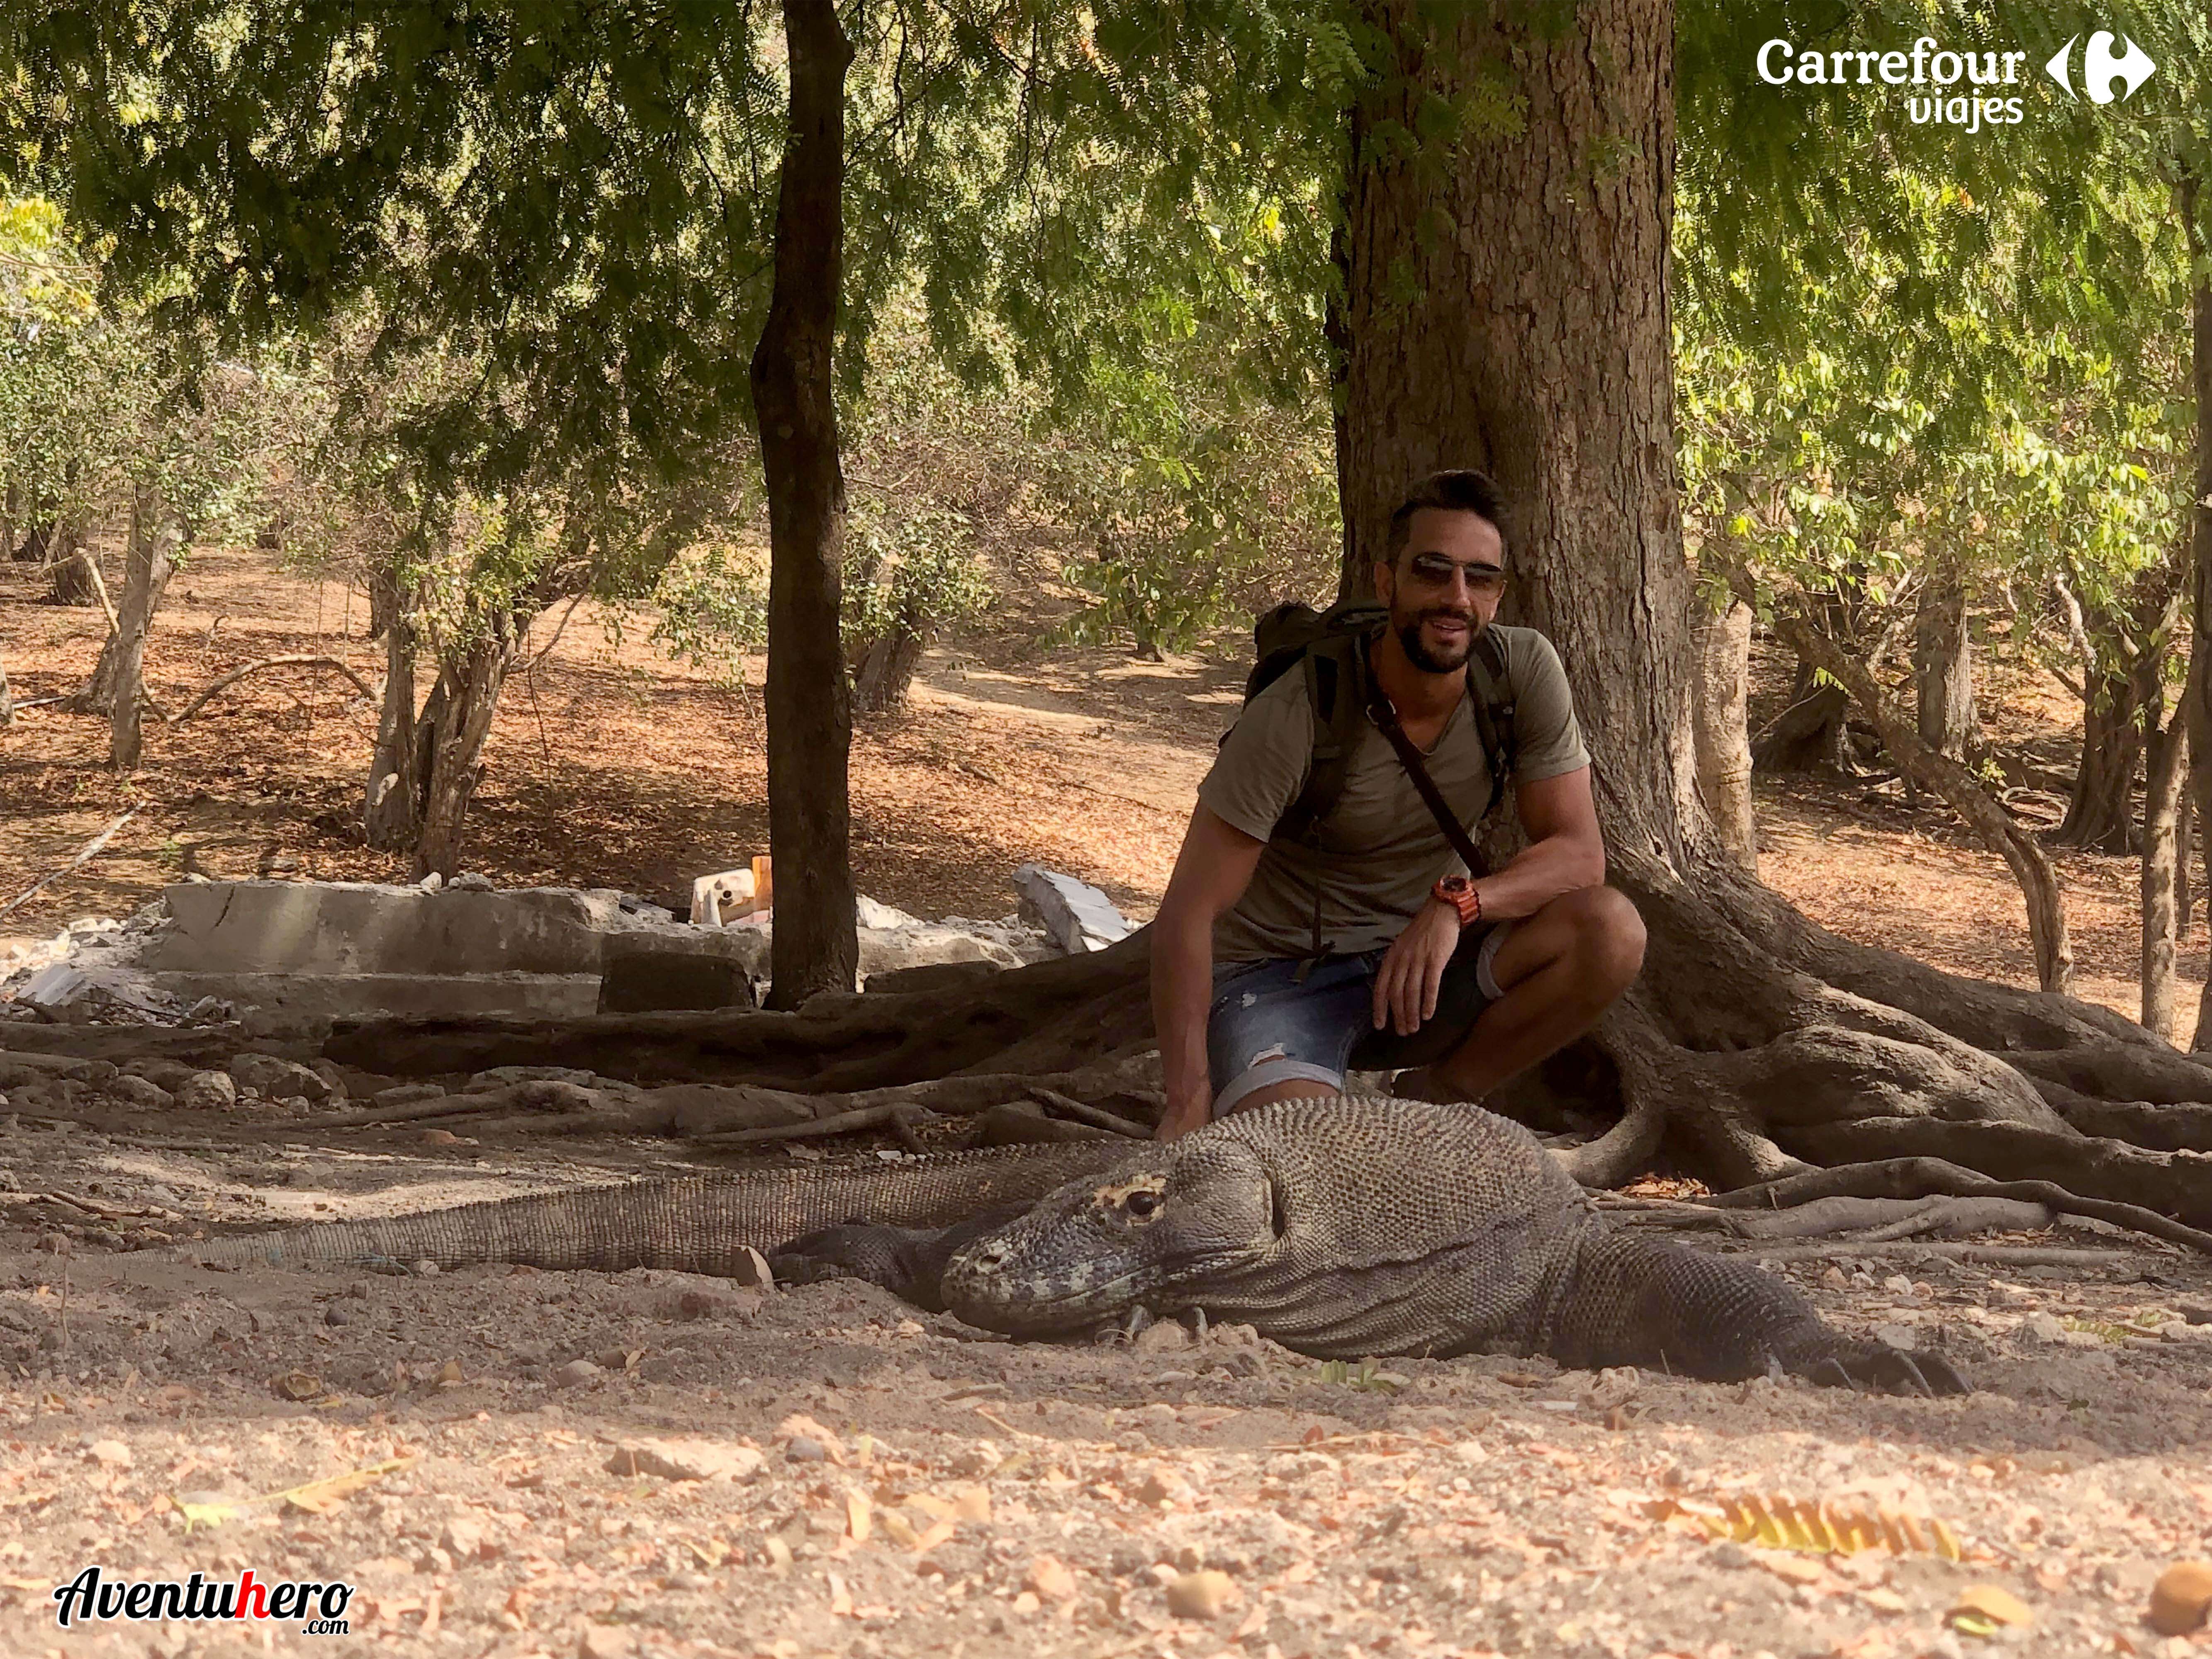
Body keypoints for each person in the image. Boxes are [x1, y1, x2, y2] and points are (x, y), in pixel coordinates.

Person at [1150, 468, 1647, 1141]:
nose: (1455, 597)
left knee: (1610, 929)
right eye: (1432, 571)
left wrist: (1456, 906)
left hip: (1417, 974)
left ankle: (1439, 1100)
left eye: (1480, 578)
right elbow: (1189, 910)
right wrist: (1186, 1101)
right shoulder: (1299, 712)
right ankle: (1289, 1093)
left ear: (1498, 597)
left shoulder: (1522, 671)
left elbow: (1579, 857)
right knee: (1312, 1158)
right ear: (1386, 583)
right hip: (1275, 983)